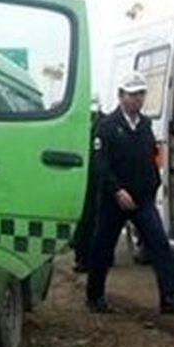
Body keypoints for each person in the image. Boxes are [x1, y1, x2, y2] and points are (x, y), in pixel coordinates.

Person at [85, 71, 174, 314]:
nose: (137, 99)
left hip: (142, 199)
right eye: (132, 95)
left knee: (159, 243)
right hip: (114, 199)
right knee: (102, 247)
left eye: (141, 94)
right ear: (121, 96)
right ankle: (95, 295)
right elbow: (99, 163)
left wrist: (153, 185)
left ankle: (169, 296)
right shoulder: (106, 126)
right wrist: (117, 190)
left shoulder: (145, 125)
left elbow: (150, 157)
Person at [72, 100, 105, 272]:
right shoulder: (98, 124)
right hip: (89, 178)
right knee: (88, 219)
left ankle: (84, 257)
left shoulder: (93, 125)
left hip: (92, 178)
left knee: (90, 220)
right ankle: (84, 257)